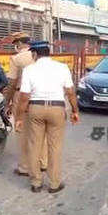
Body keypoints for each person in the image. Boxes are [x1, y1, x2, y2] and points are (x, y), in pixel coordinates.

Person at [14, 41, 80, 193]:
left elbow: (24, 97)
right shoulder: (62, 67)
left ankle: (36, 182)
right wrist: (75, 111)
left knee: (34, 145)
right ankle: (54, 184)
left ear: (35, 54)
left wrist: (18, 118)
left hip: (35, 108)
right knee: (54, 147)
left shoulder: (29, 69)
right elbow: (70, 92)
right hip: (57, 108)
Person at [4, 31, 48, 177]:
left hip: (22, 95)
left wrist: (7, 101)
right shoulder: (42, 56)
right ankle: (43, 162)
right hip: (42, 96)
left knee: (22, 132)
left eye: (15, 44)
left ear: (18, 44)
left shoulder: (17, 58)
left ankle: (24, 167)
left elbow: (12, 82)